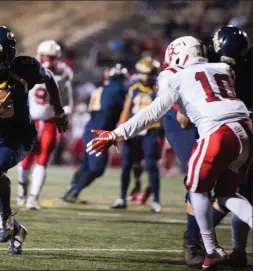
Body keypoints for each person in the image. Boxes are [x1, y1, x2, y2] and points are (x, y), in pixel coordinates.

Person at [86, 36, 252, 270]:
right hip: (246, 128)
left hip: (218, 131)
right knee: (227, 194)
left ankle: (211, 250)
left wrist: (116, 134)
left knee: (196, 189)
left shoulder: (173, 75)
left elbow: (153, 113)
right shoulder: (223, 68)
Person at [0, 25, 68, 254]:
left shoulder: (25, 68)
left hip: (19, 136)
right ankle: (17, 231)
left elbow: (49, 78)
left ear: (10, 53)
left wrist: (58, 110)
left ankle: (6, 218)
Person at [179, 26, 252, 267]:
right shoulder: (243, 66)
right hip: (246, 134)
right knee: (242, 193)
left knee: (200, 188)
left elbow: (183, 120)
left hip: (219, 135)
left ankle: (198, 242)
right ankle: (236, 250)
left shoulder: (211, 67)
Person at [17, 40, 74, 210]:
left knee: (43, 159)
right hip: (29, 120)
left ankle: (33, 197)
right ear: (39, 55)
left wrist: (63, 113)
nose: (48, 60)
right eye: (45, 56)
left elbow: (68, 103)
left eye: (52, 57)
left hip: (50, 121)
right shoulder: (27, 69)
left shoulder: (64, 74)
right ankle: (22, 189)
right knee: (25, 159)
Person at [60, 64, 127, 204]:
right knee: (97, 168)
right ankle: (75, 190)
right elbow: (125, 106)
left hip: (89, 128)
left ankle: (71, 187)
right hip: (100, 131)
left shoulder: (99, 88)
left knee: (86, 165)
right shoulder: (118, 90)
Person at [112, 57, 162, 212]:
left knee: (151, 165)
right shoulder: (133, 88)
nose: (146, 77)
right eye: (143, 73)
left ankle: (155, 200)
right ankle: (122, 197)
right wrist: (119, 129)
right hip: (133, 130)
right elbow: (126, 109)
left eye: (149, 73)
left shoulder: (159, 88)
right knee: (126, 164)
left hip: (151, 129)